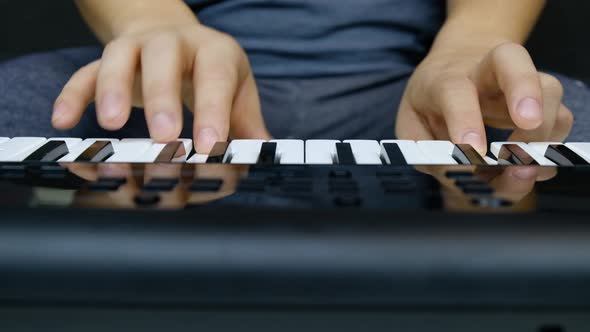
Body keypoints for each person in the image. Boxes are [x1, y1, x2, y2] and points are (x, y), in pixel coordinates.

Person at [0, 0, 589, 172]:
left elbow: (484, 22)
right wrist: (150, 24)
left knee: (562, 118)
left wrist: (472, 41)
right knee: (22, 101)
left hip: (417, 90)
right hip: (171, 86)